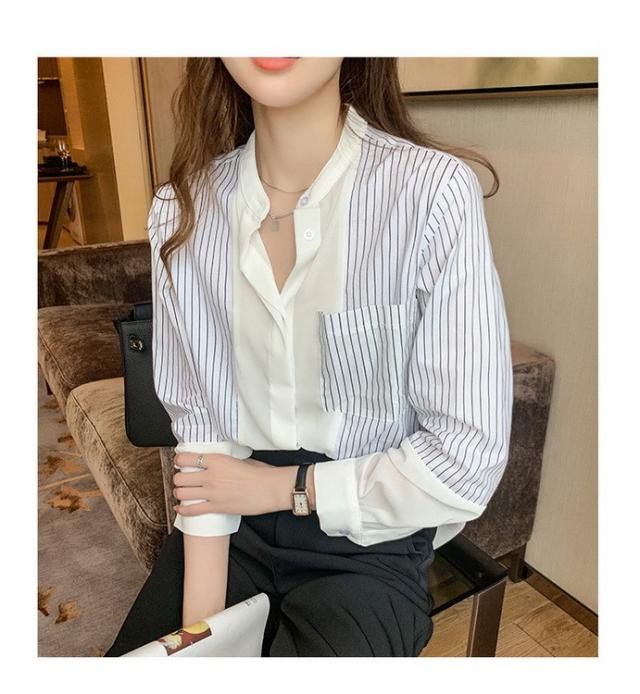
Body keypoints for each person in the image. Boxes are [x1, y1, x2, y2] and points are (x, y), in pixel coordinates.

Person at [104, 57, 513, 658]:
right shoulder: (181, 210)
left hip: (369, 541)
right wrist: (199, 645)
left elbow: (464, 460)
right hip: (231, 521)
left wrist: (284, 487)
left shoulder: (429, 194)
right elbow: (204, 435)